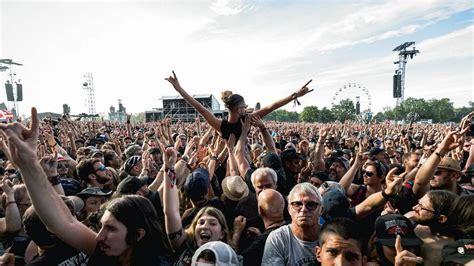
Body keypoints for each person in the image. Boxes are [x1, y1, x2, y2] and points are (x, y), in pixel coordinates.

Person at [0, 108, 170, 265]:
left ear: (138, 235)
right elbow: (63, 221)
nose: (99, 236)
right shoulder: (109, 255)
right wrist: (28, 163)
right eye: (102, 226)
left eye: (110, 228)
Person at [165, 71, 313, 140]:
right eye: (244, 106)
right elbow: (270, 107)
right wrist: (178, 89)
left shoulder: (220, 125)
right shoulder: (246, 119)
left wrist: (295, 95)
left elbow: (199, 108)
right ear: (239, 109)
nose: (245, 108)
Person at [262, 182, 322, 265]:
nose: (304, 209)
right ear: (289, 209)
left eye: (311, 205)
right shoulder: (279, 238)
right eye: (297, 204)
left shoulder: (331, 237)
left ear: (321, 210)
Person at [240, 189, 286, 266]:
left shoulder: (261, 243)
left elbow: (236, 261)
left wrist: (236, 234)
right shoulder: (295, 229)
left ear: (260, 210)